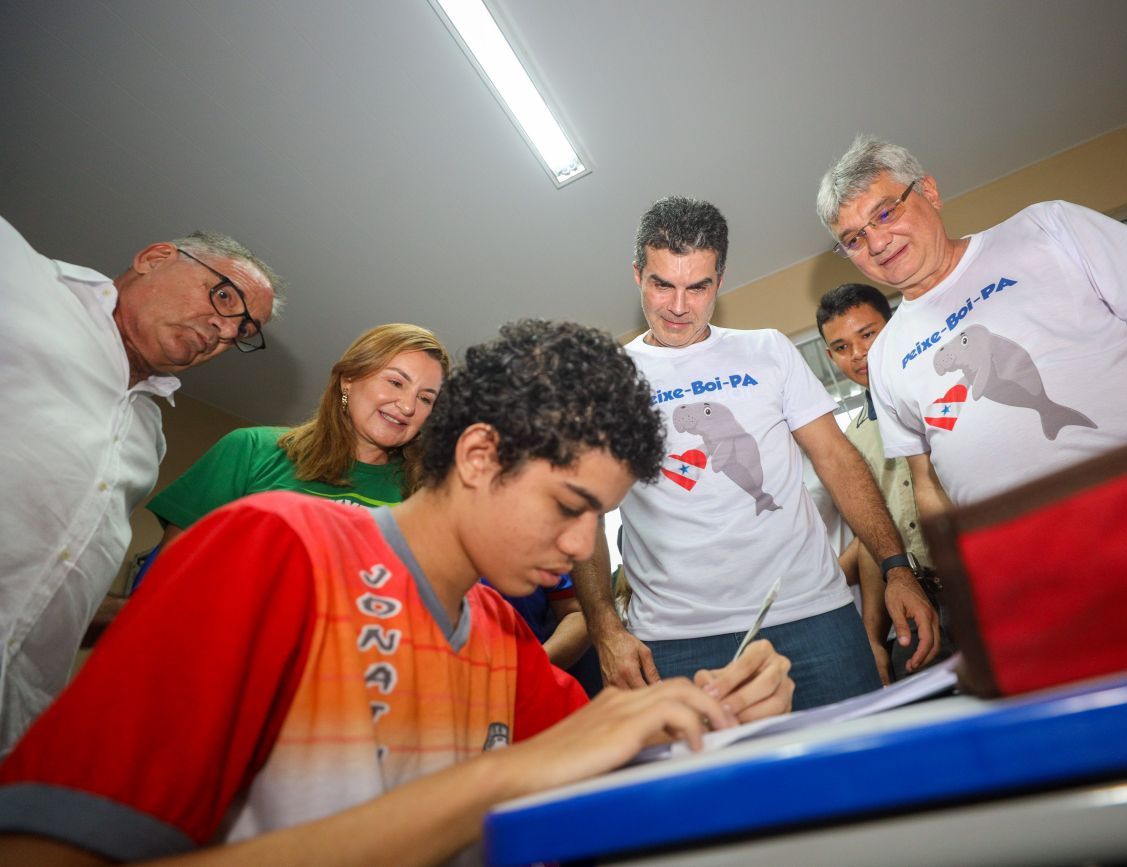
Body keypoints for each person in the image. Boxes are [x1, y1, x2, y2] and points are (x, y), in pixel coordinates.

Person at [0, 320, 793, 867]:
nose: (584, 548)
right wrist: (495, 780)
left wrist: (711, 712)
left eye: (600, 519)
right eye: (568, 506)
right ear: (479, 455)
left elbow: (604, 764)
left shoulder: (499, 632)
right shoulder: (274, 547)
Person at [571, 196, 938, 712]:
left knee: (860, 758)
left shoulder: (768, 350)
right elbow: (583, 510)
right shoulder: (606, 380)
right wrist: (605, 628)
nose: (679, 306)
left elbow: (837, 461)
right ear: (637, 275)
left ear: (720, 280)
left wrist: (896, 567)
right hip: (675, 639)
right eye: (662, 284)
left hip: (814, 614)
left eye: (698, 287)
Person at [816, 136, 1127, 513]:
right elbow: (927, 483)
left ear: (928, 191)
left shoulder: (1048, 228)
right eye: (854, 239)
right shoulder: (885, 354)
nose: (876, 243)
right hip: (1041, 577)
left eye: (886, 212)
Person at [0, 217, 281, 755]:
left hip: (19, 722)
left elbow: (57, 583)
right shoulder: (24, 282)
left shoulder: (147, 437)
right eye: (225, 296)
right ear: (154, 258)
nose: (226, 332)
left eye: (244, 332)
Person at [146, 322, 450, 551]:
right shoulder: (252, 449)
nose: (408, 406)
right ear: (348, 380)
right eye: (396, 382)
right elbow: (173, 569)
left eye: (426, 398)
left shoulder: (427, 495)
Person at [816, 282, 949, 684]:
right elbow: (873, 541)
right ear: (830, 357)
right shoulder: (851, 440)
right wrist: (873, 638)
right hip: (914, 599)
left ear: (892, 326)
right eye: (841, 347)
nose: (858, 354)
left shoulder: (945, 393)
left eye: (868, 334)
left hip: (984, 579)